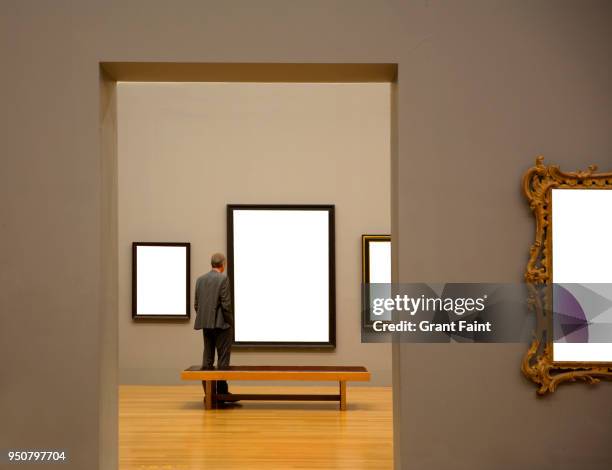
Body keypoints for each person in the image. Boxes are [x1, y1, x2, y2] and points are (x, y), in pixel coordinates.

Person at [194, 252, 235, 399]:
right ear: (223, 264)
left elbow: (196, 305)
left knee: (207, 359)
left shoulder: (200, 280)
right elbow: (226, 305)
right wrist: (231, 323)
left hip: (206, 325)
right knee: (223, 359)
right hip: (222, 326)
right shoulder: (223, 279)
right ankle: (221, 394)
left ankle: (209, 394)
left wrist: (206, 319)